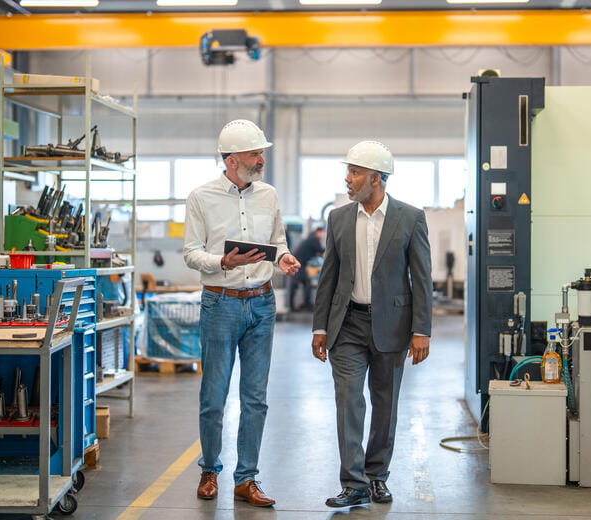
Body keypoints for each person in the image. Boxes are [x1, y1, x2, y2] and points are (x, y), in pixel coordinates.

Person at [183, 119, 300, 507]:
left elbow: (277, 238)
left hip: (263, 303)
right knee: (213, 396)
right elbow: (191, 253)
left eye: (261, 152)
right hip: (220, 303)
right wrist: (222, 260)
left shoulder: (269, 195)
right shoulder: (201, 197)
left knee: (256, 398)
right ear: (233, 160)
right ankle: (209, 471)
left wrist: (283, 256)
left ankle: (246, 479)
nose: (261, 159)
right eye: (254, 154)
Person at [311, 140, 432, 507]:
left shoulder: (410, 217)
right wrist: (319, 327)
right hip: (346, 324)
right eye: (348, 171)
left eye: (355, 172)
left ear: (376, 178)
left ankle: (377, 475)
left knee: (385, 403)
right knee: (348, 400)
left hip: (392, 325)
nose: (348, 179)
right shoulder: (338, 218)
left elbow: (422, 277)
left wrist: (421, 330)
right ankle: (354, 482)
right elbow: (328, 276)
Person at [288, 227, 325, 311]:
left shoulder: (310, 238)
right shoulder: (314, 238)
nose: (323, 235)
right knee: (303, 284)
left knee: (302, 284)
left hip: (298, 263)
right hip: (298, 264)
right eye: (322, 233)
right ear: (318, 232)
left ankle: (303, 305)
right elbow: (320, 250)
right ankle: (304, 305)